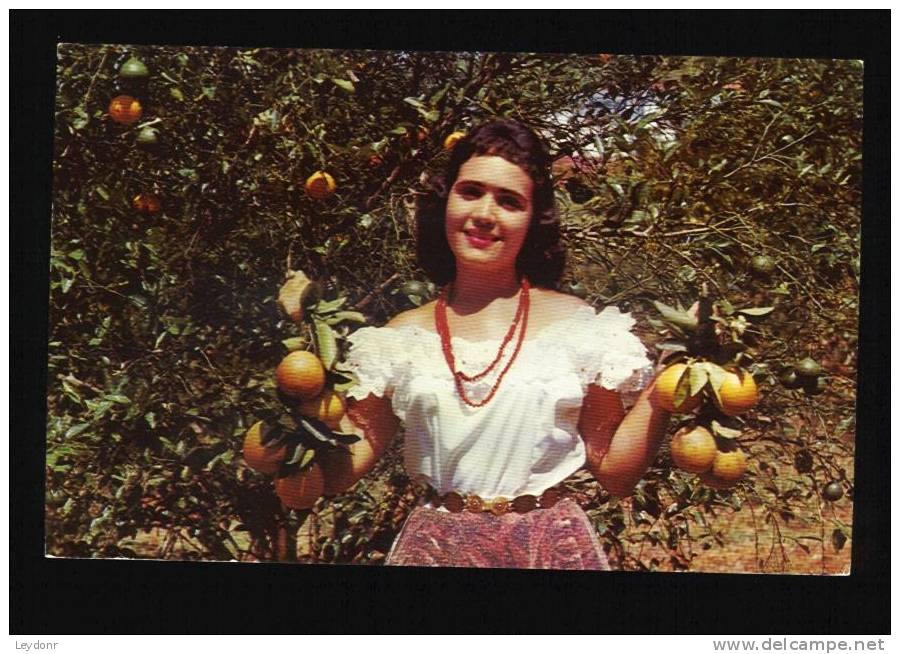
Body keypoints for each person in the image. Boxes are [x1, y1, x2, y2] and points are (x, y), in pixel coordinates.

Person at [292, 119, 672, 569]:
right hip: (436, 551)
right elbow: (338, 471)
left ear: (533, 221)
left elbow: (613, 471)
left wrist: (667, 390)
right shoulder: (398, 338)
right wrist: (293, 411)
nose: (485, 214)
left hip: (548, 551)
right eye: (470, 191)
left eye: (509, 201)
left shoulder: (579, 329)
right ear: (446, 201)